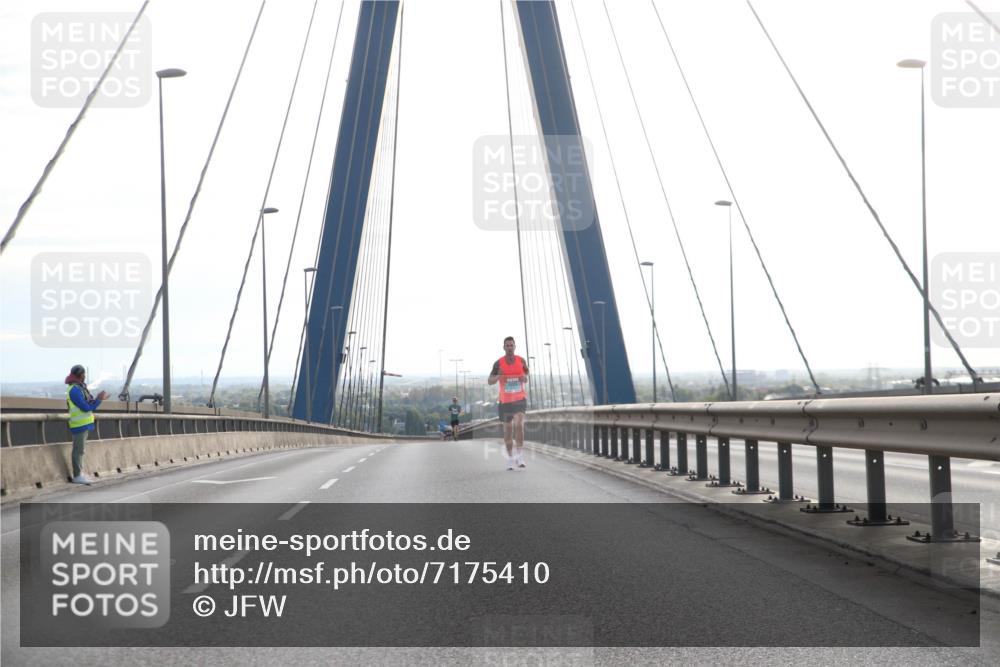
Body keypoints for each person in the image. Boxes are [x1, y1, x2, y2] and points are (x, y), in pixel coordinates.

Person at [488, 336, 528, 470]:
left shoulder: (521, 360)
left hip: (519, 399)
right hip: (505, 401)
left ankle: (520, 456)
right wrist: (499, 376)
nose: (510, 348)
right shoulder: (498, 363)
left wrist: (524, 378)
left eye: (512, 345)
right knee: (508, 431)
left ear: (515, 347)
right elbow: (490, 380)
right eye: (507, 346)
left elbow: (526, 374)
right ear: (504, 347)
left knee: (519, 425)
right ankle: (510, 458)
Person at [65, 365, 108, 485]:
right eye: (83, 374)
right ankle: (77, 476)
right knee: (78, 450)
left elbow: (89, 402)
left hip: (84, 424)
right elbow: (85, 407)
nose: (85, 377)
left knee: (81, 450)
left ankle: (80, 474)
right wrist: (99, 400)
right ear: (79, 375)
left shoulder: (80, 388)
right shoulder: (74, 390)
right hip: (79, 425)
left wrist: (99, 399)